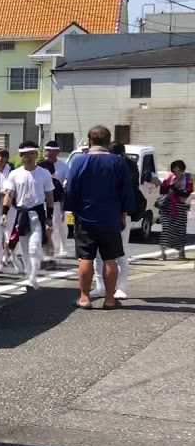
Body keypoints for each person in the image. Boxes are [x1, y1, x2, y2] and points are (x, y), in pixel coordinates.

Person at [64, 126, 134, 310]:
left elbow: (71, 188)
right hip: (110, 217)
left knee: (85, 257)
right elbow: (126, 191)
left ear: (90, 140)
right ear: (108, 141)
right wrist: (124, 213)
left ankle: (84, 298)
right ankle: (110, 299)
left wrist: (72, 210)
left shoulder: (79, 161)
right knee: (110, 258)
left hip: (85, 215)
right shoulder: (118, 162)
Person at [0, 141, 55, 289]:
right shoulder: (15, 174)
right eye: (25, 154)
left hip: (37, 213)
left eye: (31, 153)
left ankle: (32, 277)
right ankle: (29, 274)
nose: (28, 157)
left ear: (36, 155)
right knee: (24, 248)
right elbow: (9, 194)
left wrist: (50, 216)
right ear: (21, 156)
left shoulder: (44, 173)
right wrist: (4, 213)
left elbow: (49, 195)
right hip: (22, 213)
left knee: (34, 247)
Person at [91, 143, 141, 299]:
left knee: (120, 253)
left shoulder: (127, 166)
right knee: (99, 253)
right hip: (105, 213)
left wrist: (124, 214)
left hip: (120, 214)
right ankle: (101, 287)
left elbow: (129, 191)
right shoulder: (108, 164)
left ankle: (121, 287)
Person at [41, 141, 71, 257]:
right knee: (47, 225)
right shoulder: (41, 165)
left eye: (53, 151)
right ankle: (50, 247)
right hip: (42, 199)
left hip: (57, 199)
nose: (50, 153)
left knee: (60, 223)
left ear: (57, 152)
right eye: (48, 150)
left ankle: (63, 247)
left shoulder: (64, 166)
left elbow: (68, 181)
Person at [158, 159, 190, 260]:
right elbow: (162, 190)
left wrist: (175, 189)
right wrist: (171, 187)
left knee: (180, 230)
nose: (177, 173)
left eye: (179, 171)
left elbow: (188, 193)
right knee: (166, 229)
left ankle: (181, 252)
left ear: (183, 170)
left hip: (181, 206)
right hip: (168, 206)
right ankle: (163, 253)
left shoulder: (188, 179)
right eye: (175, 171)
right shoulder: (169, 178)